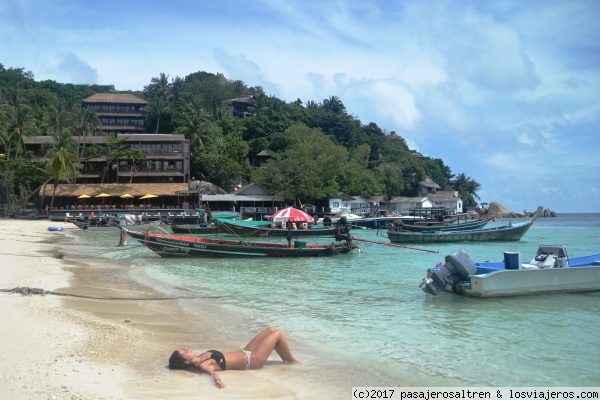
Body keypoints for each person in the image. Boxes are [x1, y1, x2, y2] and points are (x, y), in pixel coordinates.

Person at [168, 327, 300, 389]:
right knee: (278, 334)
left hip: (246, 351)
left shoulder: (201, 356)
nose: (185, 348)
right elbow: (213, 374)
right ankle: (291, 361)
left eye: (183, 348)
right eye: (183, 352)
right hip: (252, 360)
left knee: (271, 330)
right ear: (185, 361)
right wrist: (218, 382)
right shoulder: (203, 366)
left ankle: (287, 361)